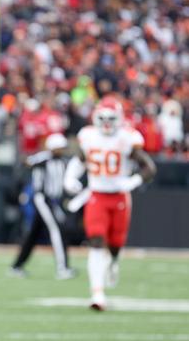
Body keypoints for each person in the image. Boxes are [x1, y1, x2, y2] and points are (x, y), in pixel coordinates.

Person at [64, 97, 156, 311]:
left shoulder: (127, 138)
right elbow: (79, 159)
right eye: (102, 118)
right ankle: (97, 294)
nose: (106, 123)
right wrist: (70, 177)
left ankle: (113, 262)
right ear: (95, 118)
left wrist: (132, 181)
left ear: (119, 119)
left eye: (111, 118)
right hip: (96, 194)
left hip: (120, 197)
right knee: (96, 240)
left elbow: (149, 168)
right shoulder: (88, 136)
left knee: (115, 244)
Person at [9, 133, 76, 280]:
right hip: (42, 199)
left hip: (53, 200)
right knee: (57, 229)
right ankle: (62, 268)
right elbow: (27, 162)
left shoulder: (62, 161)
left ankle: (16, 266)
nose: (63, 150)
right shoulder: (44, 158)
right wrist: (36, 161)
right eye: (60, 148)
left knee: (33, 235)